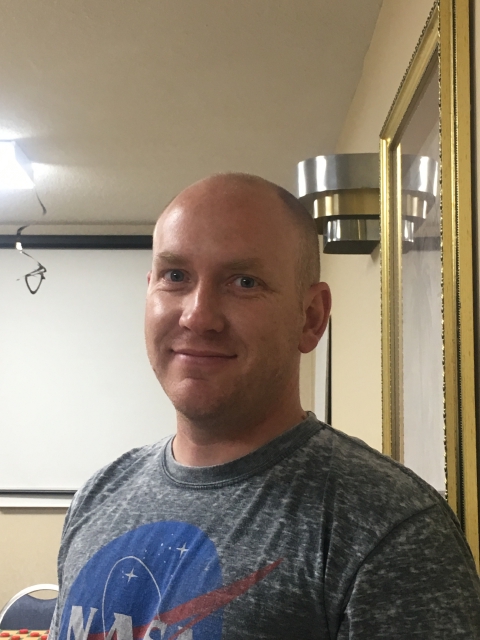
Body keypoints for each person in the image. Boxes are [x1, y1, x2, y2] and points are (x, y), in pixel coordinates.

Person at [50, 174, 480, 640]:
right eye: (176, 276)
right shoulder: (98, 496)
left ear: (310, 317)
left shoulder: (389, 527)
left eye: (244, 282)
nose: (197, 316)